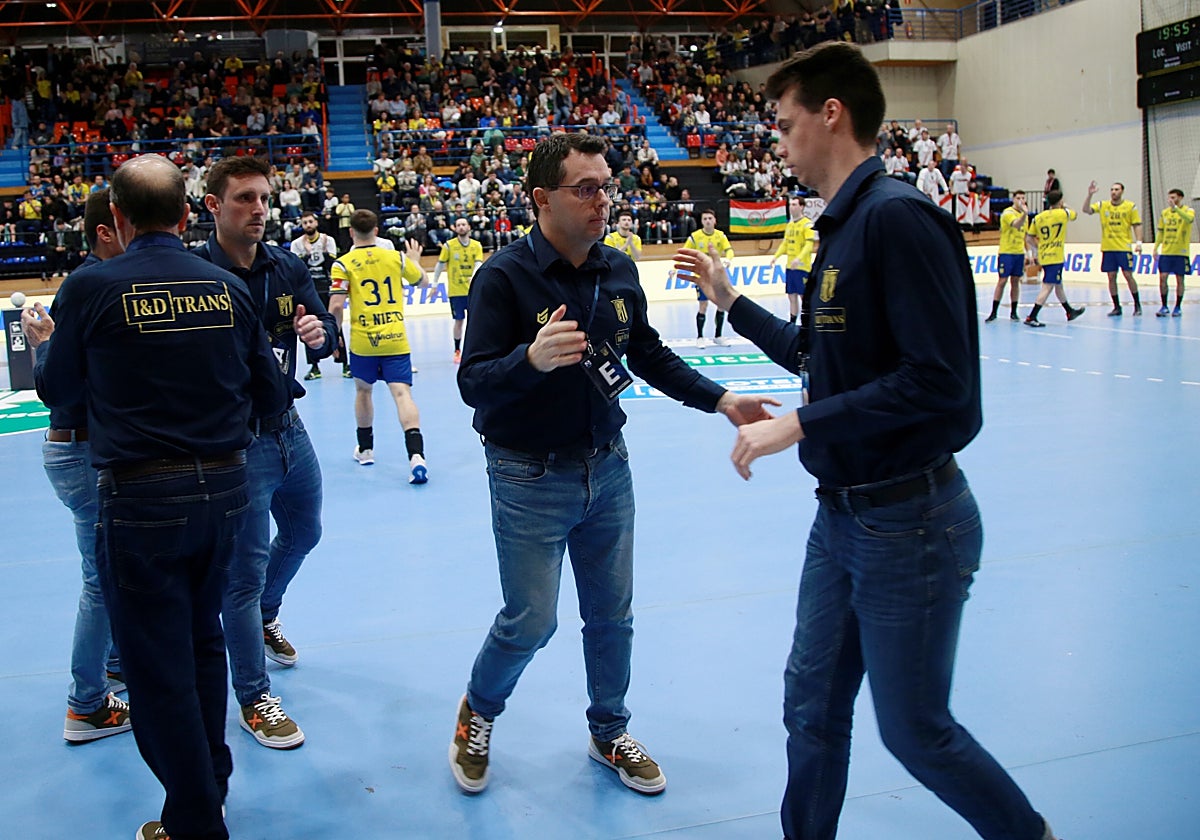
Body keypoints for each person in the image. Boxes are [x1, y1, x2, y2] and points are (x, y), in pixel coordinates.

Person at [673, 43, 1061, 840]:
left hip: (911, 522)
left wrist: (802, 422)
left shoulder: (898, 221)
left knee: (916, 731)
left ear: (831, 115)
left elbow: (939, 381)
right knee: (810, 706)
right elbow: (826, 357)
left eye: (784, 126)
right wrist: (731, 302)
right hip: (844, 519)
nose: (777, 144)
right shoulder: (841, 229)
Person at [449, 132, 778, 798]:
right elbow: (473, 383)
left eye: (607, 187)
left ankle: (609, 730)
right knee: (531, 619)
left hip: (609, 467)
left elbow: (646, 355)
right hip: (526, 475)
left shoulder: (619, 269)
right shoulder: (503, 277)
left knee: (612, 615)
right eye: (587, 188)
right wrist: (530, 360)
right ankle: (476, 714)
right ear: (542, 199)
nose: (604, 200)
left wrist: (722, 399)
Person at [29, 153, 281, 840]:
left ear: (116, 218)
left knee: (154, 665)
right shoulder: (225, 285)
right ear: (185, 215)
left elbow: (59, 393)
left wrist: (49, 346)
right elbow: (270, 390)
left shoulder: (92, 287)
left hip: (143, 498)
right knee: (204, 643)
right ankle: (210, 788)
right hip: (227, 490)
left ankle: (196, 821)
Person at [198, 155, 338, 751]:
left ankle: (264, 616)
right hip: (235, 444)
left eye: (264, 198)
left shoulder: (283, 265)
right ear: (213, 207)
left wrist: (319, 334)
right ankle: (254, 697)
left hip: (288, 425)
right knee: (241, 574)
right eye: (244, 200)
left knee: (304, 532)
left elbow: (327, 335)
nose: (258, 209)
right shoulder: (193, 274)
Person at [23, 189, 131, 745]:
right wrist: (44, 349)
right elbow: (62, 388)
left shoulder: (98, 284)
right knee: (102, 579)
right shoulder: (88, 287)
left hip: (83, 447)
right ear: (105, 232)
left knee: (109, 572)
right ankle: (85, 705)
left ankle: (113, 663)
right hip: (81, 450)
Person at [329, 209, 431, 481]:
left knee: (363, 392)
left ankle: (366, 449)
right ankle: (416, 456)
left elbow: (337, 305)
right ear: (376, 230)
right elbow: (424, 281)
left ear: (351, 232)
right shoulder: (395, 258)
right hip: (395, 338)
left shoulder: (343, 264)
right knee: (402, 394)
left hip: (364, 342)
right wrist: (414, 260)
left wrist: (334, 335)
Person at [290, 210, 347, 379]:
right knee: (309, 324)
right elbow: (297, 269)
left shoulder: (327, 240)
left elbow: (332, 265)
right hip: (308, 289)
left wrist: (321, 251)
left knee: (335, 322)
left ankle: (345, 363)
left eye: (310, 221)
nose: (308, 225)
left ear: (316, 223)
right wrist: (307, 254)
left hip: (326, 286)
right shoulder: (296, 244)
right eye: (304, 222)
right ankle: (314, 367)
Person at [1024, 190, 1086, 327]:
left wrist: (1038, 248)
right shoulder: (1063, 213)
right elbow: (1075, 214)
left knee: (1059, 286)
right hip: (1056, 256)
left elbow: (1029, 238)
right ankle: (1032, 316)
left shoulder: (1038, 217)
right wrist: (1064, 205)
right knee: (1047, 287)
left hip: (1044, 255)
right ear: (1060, 201)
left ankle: (1069, 311)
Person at [1084, 180, 1143, 316]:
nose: (1113, 192)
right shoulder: (1103, 205)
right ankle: (1117, 306)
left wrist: (1139, 243)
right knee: (1111, 277)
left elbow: (1137, 225)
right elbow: (1086, 210)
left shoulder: (1130, 207)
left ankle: (1137, 304)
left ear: (1122, 191)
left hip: (1123, 247)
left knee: (1128, 275)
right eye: (1112, 189)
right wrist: (1089, 195)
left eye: (1116, 189)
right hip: (1108, 248)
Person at [431, 216, 484, 363]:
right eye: (458, 225)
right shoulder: (449, 246)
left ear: (469, 228)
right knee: (459, 321)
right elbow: (440, 265)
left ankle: (477, 351)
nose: (461, 227)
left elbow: (478, 264)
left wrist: (474, 276)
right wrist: (434, 284)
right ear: (455, 228)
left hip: (473, 291)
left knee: (476, 322)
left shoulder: (476, 245)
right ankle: (457, 350)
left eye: (463, 224)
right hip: (456, 291)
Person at [684, 208, 735, 347]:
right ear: (701, 221)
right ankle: (700, 337)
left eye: (710, 218)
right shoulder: (695, 237)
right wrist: (675, 268)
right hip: (701, 276)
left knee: (721, 305)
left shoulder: (720, 236)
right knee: (703, 305)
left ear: (715, 221)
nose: (707, 221)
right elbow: (684, 252)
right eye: (705, 219)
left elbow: (729, 250)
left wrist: (728, 259)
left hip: (717, 276)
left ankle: (718, 335)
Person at [770, 195, 818, 325]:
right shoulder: (790, 224)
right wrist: (776, 256)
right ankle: (792, 323)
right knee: (791, 296)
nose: (791, 207)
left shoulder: (807, 224)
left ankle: (809, 322)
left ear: (801, 207)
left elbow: (809, 245)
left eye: (795, 205)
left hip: (802, 267)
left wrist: (799, 258)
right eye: (790, 205)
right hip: (790, 266)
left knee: (804, 297)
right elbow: (785, 243)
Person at [986, 189, 1033, 322]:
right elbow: (1016, 225)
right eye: (1018, 198)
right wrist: (1024, 214)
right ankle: (994, 311)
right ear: (1013, 199)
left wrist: (1028, 253)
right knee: (1002, 281)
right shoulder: (1008, 213)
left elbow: (1025, 235)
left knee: (1015, 282)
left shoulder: (1026, 216)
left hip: (1018, 253)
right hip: (1006, 252)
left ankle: (1014, 312)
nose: (1021, 201)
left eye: (1023, 198)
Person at [1153, 188, 1193, 317]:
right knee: (1163, 277)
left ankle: (1178, 306)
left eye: (1174, 198)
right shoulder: (1165, 213)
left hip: (1181, 252)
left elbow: (1189, 219)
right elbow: (1161, 232)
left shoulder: (1187, 211)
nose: (1171, 200)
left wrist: (1176, 209)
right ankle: (1164, 306)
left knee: (1180, 279)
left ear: (1180, 198)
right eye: (1170, 198)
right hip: (1166, 251)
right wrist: (1156, 247)